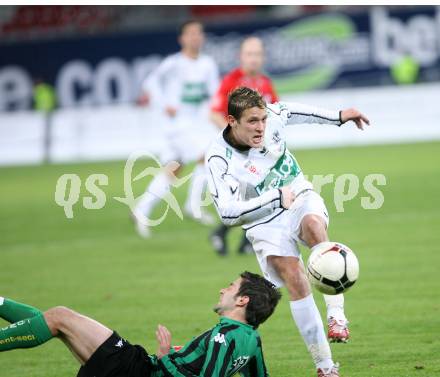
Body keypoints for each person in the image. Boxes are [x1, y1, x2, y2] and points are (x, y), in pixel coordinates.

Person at [205, 87, 370, 377]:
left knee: (314, 227)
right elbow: (227, 212)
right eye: (252, 122)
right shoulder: (219, 158)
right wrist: (274, 198)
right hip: (263, 221)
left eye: (262, 119)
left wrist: (339, 117)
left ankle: (337, 316)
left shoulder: (272, 117)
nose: (260, 127)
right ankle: (326, 367)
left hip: (298, 193)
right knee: (296, 279)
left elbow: (294, 111)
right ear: (231, 120)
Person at [0, 271, 281, 377]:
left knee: (59, 318)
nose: (223, 290)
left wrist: (167, 358)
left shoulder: (225, 334)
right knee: (57, 323)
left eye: (230, 287)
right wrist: (175, 357)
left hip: (137, 371)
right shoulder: (252, 339)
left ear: (242, 301)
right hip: (140, 366)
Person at [133, 20, 220, 238]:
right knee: (207, 154)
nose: (195, 37)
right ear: (181, 38)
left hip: (192, 124)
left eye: (199, 33)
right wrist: (164, 104)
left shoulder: (208, 64)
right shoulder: (174, 63)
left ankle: (141, 210)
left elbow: (214, 94)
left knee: (172, 170)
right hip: (176, 125)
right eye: (190, 34)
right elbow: (150, 83)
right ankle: (193, 205)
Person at [209, 36, 279, 256]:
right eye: (249, 54)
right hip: (238, 152)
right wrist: (235, 137)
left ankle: (234, 238)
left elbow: (275, 116)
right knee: (250, 195)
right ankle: (234, 237)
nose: (254, 59)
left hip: (260, 152)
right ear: (241, 57)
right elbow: (214, 113)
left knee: (253, 195)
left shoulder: (265, 84)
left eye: (257, 54)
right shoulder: (232, 82)